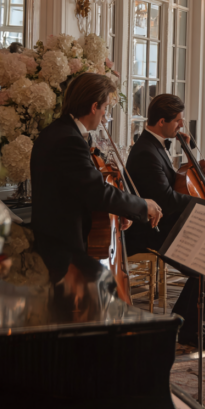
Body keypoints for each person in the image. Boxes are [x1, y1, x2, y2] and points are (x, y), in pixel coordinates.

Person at [31, 73, 162, 280]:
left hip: (54, 239)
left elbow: (76, 188)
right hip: (64, 245)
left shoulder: (58, 131)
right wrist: (143, 205)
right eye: (105, 108)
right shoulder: (69, 140)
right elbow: (96, 192)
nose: (105, 116)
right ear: (94, 107)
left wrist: (119, 211)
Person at [125, 93, 205, 350]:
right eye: (177, 121)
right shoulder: (146, 152)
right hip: (151, 231)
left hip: (166, 224)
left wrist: (191, 163)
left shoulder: (154, 144)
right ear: (161, 122)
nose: (181, 125)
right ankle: (190, 328)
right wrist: (204, 206)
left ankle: (186, 323)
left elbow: (172, 180)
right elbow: (165, 199)